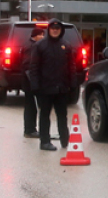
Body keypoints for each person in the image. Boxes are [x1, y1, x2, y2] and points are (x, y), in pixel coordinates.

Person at [27, 18, 75, 151]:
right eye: (53, 29)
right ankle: (45, 141)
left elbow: (71, 66)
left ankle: (65, 140)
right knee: (45, 115)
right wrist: (35, 86)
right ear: (49, 30)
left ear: (61, 30)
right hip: (45, 88)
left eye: (57, 29)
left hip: (62, 88)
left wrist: (73, 83)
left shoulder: (66, 45)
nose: (55, 31)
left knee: (62, 115)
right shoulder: (40, 46)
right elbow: (34, 67)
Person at [21, 27, 43, 139]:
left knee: (32, 106)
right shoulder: (31, 47)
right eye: (41, 35)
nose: (43, 37)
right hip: (30, 82)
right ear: (36, 36)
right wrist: (33, 81)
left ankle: (31, 129)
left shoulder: (31, 45)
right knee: (31, 106)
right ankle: (30, 129)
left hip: (31, 81)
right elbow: (27, 65)